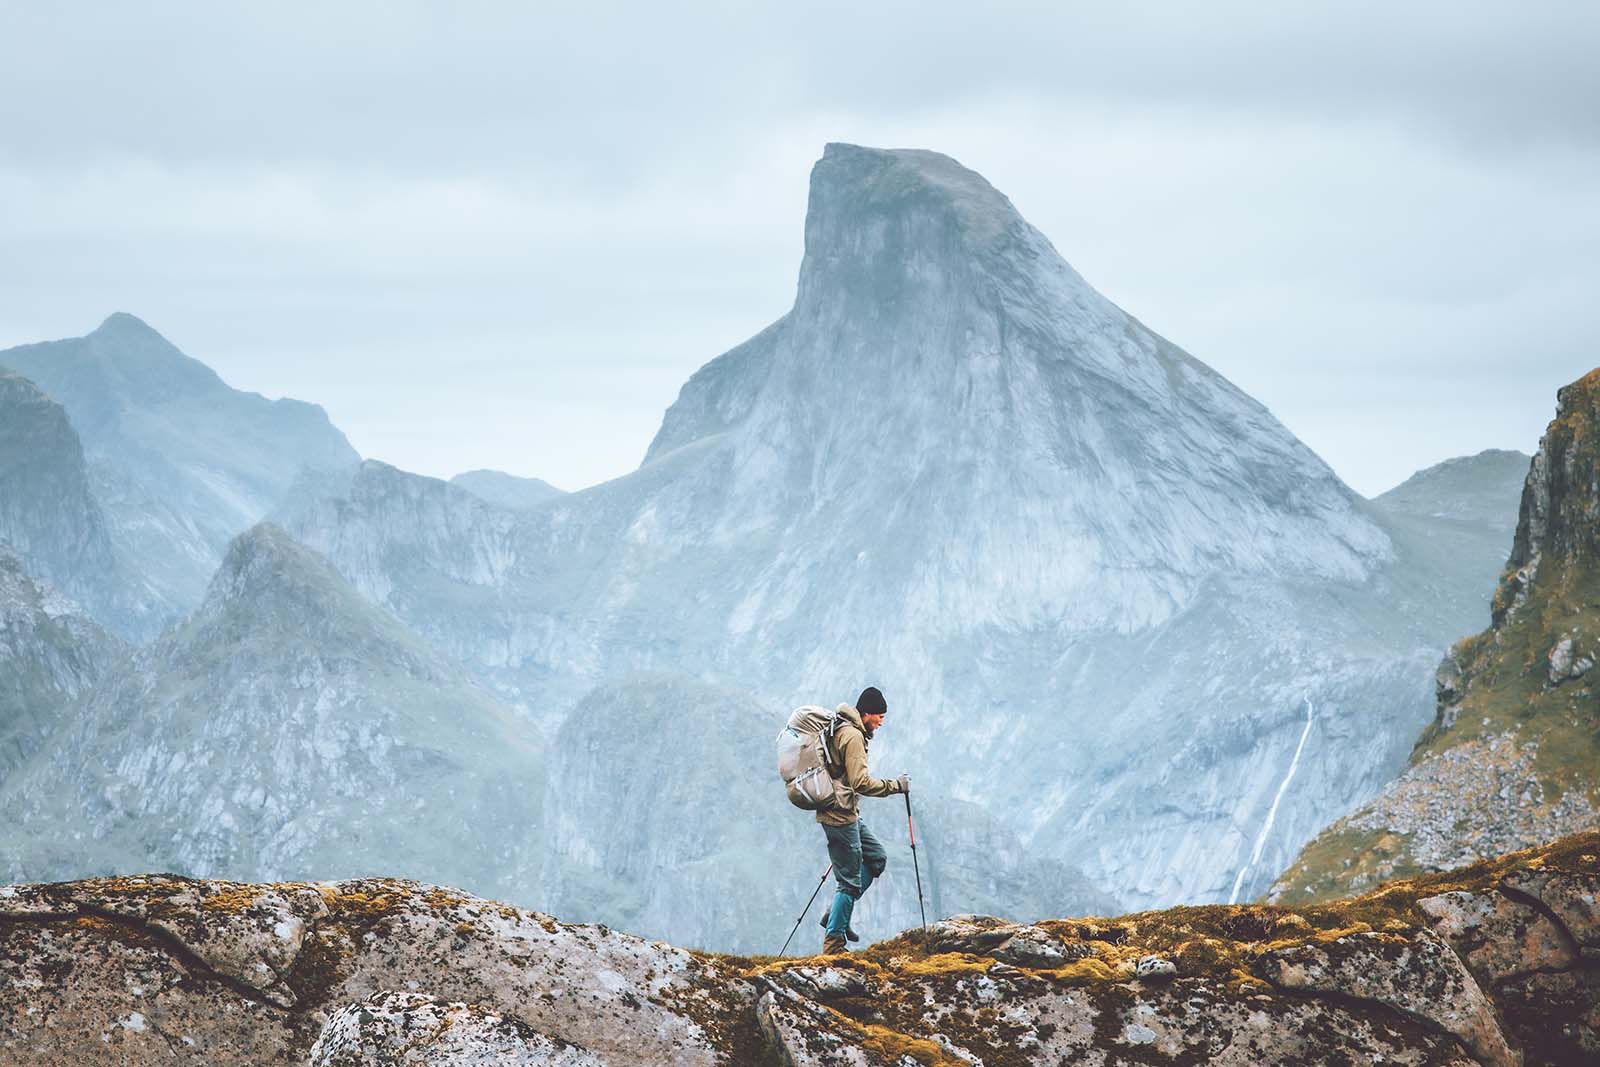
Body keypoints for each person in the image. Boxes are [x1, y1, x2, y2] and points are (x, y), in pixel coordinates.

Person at [817, 685, 909, 955]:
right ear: (866, 713)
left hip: (847, 813)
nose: (881, 721)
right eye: (879, 716)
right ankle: (833, 944)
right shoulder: (853, 736)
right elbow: (860, 782)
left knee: (877, 858)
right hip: (839, 817)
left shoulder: (846, 728)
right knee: (849, 881)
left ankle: (836, 913)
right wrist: (896, 785)